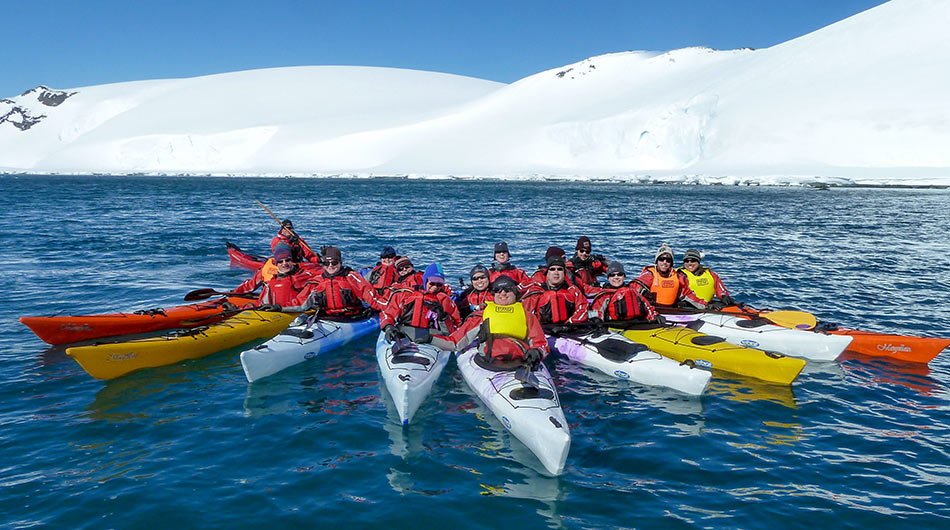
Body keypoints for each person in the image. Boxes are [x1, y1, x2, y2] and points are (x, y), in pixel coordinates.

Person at [430, 276, 548, 369]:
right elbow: (455, 342)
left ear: (515, 294)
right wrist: (429, 338)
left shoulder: (527, 316)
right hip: (489, 363)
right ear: (494, 295)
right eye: (497, 290)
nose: (502, 294)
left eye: (507, 290)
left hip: (522, 362)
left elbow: (541, 343)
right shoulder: (481, 316)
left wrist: (537, 351)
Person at [282, 246, 382, 317]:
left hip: (352, 317)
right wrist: (279, 308)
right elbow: (300, 302)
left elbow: (373, 298)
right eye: (326, 263)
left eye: (334, 262)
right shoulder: (316, 281)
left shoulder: (351, 277)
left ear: (340, 263)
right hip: (327, 318)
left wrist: (388, 313)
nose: (330, 266)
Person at [381, 263, 462, 340]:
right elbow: (388, 313)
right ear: (425, 280)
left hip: (432, 336)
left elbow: (456, 324)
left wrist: (443, 316)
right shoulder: (405, 294)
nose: (435, 287)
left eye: (439, 284)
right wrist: (388, 326)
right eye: (432, 283)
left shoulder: (444, 299)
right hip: (405, 333)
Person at [233, 243, 320, 308]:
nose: (284, 264)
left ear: (292, 261)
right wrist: (234, 294)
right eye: (280, 261)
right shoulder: (270, 281)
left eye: (287, 260)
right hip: (273, 310)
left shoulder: (302, 276)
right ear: (276, 263)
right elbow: (251, 287)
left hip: (288, 312)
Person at [522, 253, 589, 325]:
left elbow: (583, 308)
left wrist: (570, 323)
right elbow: (526, 314)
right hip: (543, 330)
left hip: (569, 328)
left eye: (560, 269)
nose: (556, 273)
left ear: (564, 273)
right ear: (547, 273)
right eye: (552, 269)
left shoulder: (573, 290)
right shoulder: (536, 291)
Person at [635, 244, 707, 309]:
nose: (664, 262)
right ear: (657, 261)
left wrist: (705, 305)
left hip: (671, 311)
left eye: (668, 260)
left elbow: (688, 295)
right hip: (651, 311)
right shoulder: (649, 275)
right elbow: (633, 290)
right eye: (661, 259)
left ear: (671, 263)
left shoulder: (678, 277)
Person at [590, 261, 663, 323]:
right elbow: (595, 311)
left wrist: (655, 315)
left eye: (619, 274)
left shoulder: (632, 290)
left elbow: (647, 306)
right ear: (608, 278)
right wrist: (596, 320)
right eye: (612, 275)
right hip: (614, 326)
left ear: (624, 276)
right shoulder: (604, 295)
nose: (616, 277)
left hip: (635, 324)